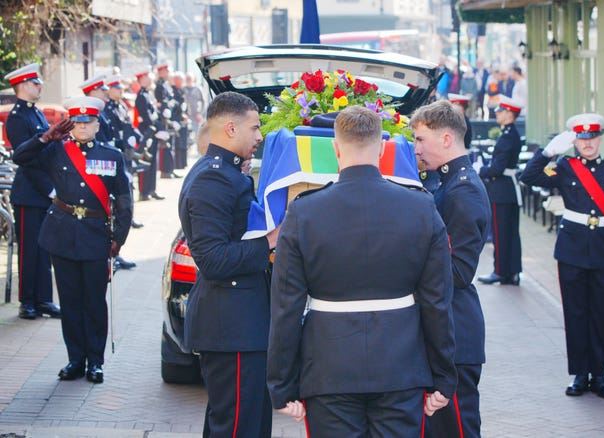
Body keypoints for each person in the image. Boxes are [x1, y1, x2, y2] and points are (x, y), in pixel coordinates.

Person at [267, 106, 457, 435]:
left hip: (329, 368)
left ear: (336, 149)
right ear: (382, 148)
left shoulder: (303, 212)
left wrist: (281, 384)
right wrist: (443, 376)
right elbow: (437, 300)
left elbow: (286, 306)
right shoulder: (421, 207)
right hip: (401, 366)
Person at [178, 91, 279, 437]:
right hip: (231, 326)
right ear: (232, 129)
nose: (260, 136)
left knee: (244, 422)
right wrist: (271, 240)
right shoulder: (213, 178)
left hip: (241, 323)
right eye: (254, 128)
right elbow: (214, 260)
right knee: (236, 428)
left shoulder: (226, 172)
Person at [12, 96, 132, 383]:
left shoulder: (111, 155)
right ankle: (75, 359)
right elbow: (20, 158)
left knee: (93, 301)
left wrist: (119, 238)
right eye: (76, 122)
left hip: (94, 235)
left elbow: (125, 200)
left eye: (87, 122)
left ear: (96, 124)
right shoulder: (56, 150)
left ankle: (95, 362)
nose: (81, 127)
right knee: (70, 301)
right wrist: (45, 136)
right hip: (62, 234)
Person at [520, 113, 604, 399]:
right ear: (575, 140)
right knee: (575, 313)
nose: (588, 143)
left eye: (593, 137)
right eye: (582, 138)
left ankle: (600, 375)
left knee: (600, 313)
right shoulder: (565, 168)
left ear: (600, 138)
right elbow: (528, 176)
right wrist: (547, 153)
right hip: (572, 250)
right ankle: (580, 375)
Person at [411, 100, 490, 438]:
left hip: (455, 334)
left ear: (446, 139)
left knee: (456, 429)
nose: (415, 148)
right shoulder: (444, 183)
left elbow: (458, 271)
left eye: (419, 140)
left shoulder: (463, 190)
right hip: (443, 330)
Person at [3, 63, 60, 320]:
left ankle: (44, 299)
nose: (40, 87)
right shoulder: (17, 117)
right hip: (29, 192)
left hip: (43, 190)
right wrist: (49, 188)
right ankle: (27, 301)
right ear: (23, 85)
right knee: (29, 250)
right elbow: (25, 158)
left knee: (44, 248)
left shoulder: (35, 113)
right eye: (36, 83)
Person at [81, 74, 137, 271]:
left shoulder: (102, 113)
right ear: (92, 92)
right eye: (101, 90)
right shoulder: (95, 115)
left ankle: (114, 253)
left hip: (110, 164)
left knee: (114, 213)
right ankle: (111, 254)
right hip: (99, 169)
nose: (105, 93)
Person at [477, 95, 523, 286]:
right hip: (508, 189)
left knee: (502, 233)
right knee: (510, 232)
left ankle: (501, 271)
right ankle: (511, 271)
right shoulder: (510, 134)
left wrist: (481, 170)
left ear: (509, 114)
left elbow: (497, 168)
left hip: (502, 189)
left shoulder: (507, 137)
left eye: (500, 111)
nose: (498, 114)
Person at [104, 73, 146, 231]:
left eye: (120, 88)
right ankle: (121, 218)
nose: (120, 91)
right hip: (117, 151)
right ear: (110, 90)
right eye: (117, 88)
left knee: (130, 185)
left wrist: (139, 138)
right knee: (121, 187)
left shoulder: (121, 106)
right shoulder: (108, 109)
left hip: (127, 151)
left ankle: (130, 216)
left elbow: (129, 126)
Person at [134, 67, 166, 201]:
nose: (149, 79)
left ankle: (151, 189)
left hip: (153, 131)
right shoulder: (141, 96)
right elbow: (146, 116)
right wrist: (156, 128)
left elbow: (155, 113)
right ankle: (144, 191)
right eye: (146, 77)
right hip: (146, 132)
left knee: (153, 163)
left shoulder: (148, 93)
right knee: (146, 163)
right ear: (141, 80)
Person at [154, 63, 179, 179]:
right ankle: (166, 170)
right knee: (166, 145)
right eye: (166, 71)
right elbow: (161, 102)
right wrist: (169, 104)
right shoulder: (159, 85)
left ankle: (170, 168)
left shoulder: (166, 84)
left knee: (171, 145)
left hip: (169, 116)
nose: (168, 73)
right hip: (164, 119)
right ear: (161, 72)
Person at [170, 71, 189, 170]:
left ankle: (183, 163)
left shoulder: (181, 90)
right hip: (176, 118)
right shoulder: (173, 90)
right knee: (178, 142)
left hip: (182, 118)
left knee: (183, 141)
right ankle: (178, 164)